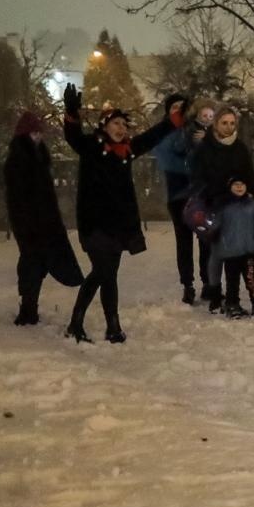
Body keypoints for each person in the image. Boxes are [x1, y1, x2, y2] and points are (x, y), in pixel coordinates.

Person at [61, 84, 182, 343]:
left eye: (124, 125)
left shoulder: (126, 151)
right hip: (94, 225)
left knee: (105, 274)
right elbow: (72, 137)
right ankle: (98, 325)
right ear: (105, 126)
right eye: (115, 123)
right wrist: (71, 113)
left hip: (117, 226)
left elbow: (151, 136)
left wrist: (174, 120)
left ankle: (93, 324)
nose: (120, 128)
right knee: (104, 271)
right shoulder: (92, 147)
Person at [3, 110, 83, 325]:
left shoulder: (38, 158)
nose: (38, 136)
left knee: (37, 264)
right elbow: (19, 197)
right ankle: (28, 309)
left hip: (44, 222)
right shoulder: (20, 160)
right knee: (32, 264)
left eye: (40, 132)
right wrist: (28, 223)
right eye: (34, 132)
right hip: (30, 224)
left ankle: (29, 308)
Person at [153, 94, 214, 304]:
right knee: (184, 241)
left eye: (182, 107)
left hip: (202, 193)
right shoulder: (164, 133)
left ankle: (208, 282)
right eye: (174, 108)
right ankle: (187, 284)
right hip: (178, 195)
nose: (179, 111)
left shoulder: (197, 130)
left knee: (206, 238)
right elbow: (169, 161)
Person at [209, 176, 254, 317]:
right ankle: (232, 304)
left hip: (248, 250)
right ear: (230, 187)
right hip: (230, 251)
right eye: (236, 184)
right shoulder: (223, 206)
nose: (239, 187)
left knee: (251, 278)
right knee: (232, 280)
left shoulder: (253, 205)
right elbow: (215, 223)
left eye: (242, 184)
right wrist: (211, 231)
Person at [191, 105, 254, 212]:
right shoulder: (204, 147)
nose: (229, 127)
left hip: (239, 205)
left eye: (232, 123)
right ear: (216, 124)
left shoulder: (241, 148)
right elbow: (197, 178)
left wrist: (253, 197)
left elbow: (250, 176)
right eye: (224, 123)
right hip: (212, 205)